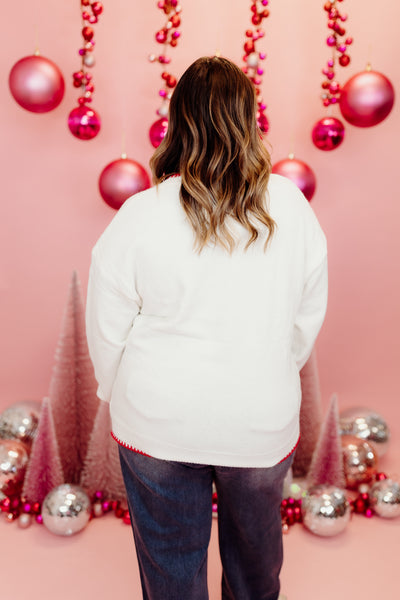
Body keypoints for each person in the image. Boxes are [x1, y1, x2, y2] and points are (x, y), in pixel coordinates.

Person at [86, 56, 328, 600]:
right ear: (249, 119)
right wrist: (267, 366)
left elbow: (106, 327)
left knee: (171, 573)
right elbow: (305, 315)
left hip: (156, 421)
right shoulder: (291, 206)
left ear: (178, 122)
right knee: (255, 572)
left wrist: (116, 392)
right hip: (260, 418)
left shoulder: (139, 213)